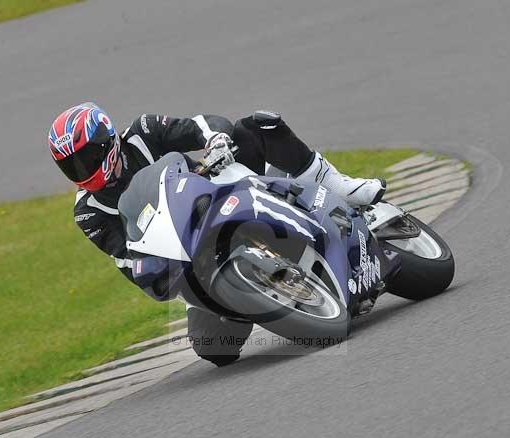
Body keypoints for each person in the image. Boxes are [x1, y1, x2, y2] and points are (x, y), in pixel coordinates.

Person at [48, 103, 385, 365]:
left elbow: (199, 126)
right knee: (214, 348)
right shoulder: (88, 212)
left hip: (217, 191)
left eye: (86, 158)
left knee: (254, 126)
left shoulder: (142, 131)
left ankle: (339, 187)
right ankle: (268, 290)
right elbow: (126, 258)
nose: (82, 170)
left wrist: (215, 140)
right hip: (190, 257)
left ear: (106, 141)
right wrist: (152, 271)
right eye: (72, 166)